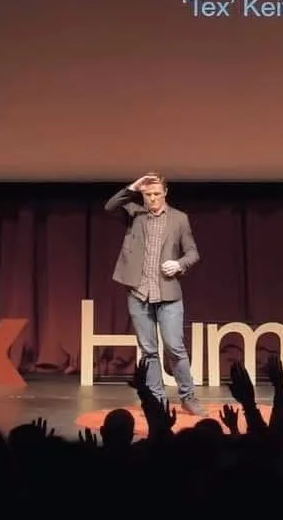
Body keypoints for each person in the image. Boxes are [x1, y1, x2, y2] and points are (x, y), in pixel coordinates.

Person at [104, 172, 206, 416]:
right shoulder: (135, 214)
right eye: (148, 194)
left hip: (168, 293)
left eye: (157, 194)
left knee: (175, 347)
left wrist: (179, 264)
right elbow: (109, 206)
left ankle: (188, 397)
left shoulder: (179, 219)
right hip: (138, 292)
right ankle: (157, 400)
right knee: (148, 350)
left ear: (165, 193)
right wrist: (133, 187)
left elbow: (193, 252)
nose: (152, 198)